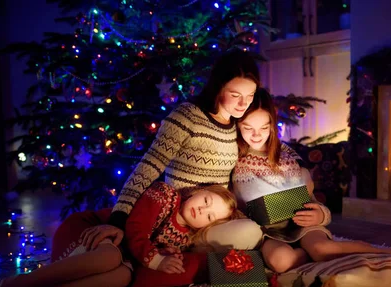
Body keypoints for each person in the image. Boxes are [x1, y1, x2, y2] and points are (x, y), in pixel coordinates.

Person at [82, 49, 263, 254]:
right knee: (250, 233)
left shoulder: (238, 124)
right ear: (218, 87)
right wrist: (118, 219)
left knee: (268, 224)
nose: (243, 104)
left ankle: (298, 237)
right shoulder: (187, 117)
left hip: (218, 218)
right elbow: (148, 167)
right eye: (235, 95)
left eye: (250, 96)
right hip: (182, 221)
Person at [0, 182, 242, 287]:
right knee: (109, 258)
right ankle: (18, 284)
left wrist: (165, 253)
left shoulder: (186, 238)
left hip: (121, 252)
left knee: (123, 277)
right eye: (207, 201)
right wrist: (156, 259)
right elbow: (136, 230)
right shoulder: (165, 195)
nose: (202, 210)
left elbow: (144, 256)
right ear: (199, 191)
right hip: (94, 229)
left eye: (209, 217)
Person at [232, 88, 391, 273]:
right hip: (269, 234)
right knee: (281, 262)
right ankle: (311, 257)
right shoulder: (234, 156)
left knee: (322, 249)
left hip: (302, 225)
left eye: (263, 128)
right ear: (238, 125)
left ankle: (386, 253)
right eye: (248, 128)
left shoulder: (286, 155)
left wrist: (321, 214)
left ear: (271, 125)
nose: (257, 135)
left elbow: (308, 197)